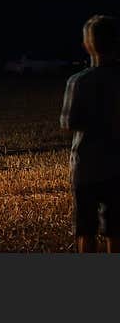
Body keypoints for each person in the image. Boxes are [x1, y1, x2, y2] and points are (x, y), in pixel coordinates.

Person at [60, 15, 120, 253]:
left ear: (87, 45)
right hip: (117, 166)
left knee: (85, 229)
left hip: (86, 168)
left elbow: (68, 122)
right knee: (115, 229)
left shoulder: (78, 81)